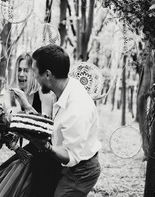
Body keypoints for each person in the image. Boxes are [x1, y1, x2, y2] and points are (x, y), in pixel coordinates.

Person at [13, 44, 102, 197]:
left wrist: (45, 146)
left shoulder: (76, 109)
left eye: (34, 72)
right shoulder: (60, 90)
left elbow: (71, 157)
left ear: (47, 74)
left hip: (81, 171)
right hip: (65, 163)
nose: (33, 77)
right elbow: (51, 127)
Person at [0, 52, 61, 197]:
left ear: (34, 73)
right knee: (4, 177)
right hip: (33, 150)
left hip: (48, 155)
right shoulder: (25, 93)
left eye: (26, 70)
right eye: (19, 70)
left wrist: (26, 105)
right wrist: (6, 132)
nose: (21, 74)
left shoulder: (44, 93)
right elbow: (27, 127)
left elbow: (47, 127)